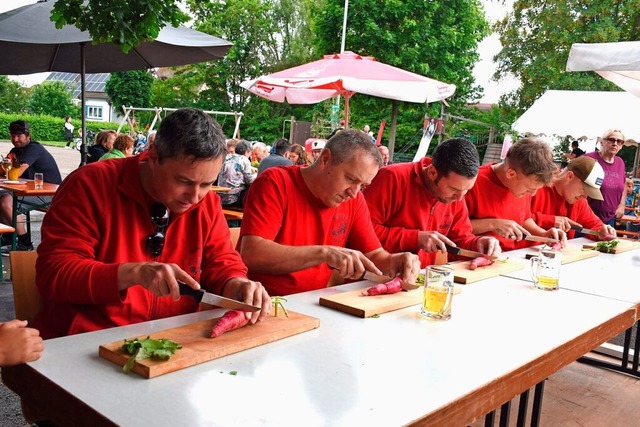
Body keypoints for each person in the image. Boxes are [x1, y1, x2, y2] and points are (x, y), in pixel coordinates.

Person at [33, 108, 271, 339]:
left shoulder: (206, 203)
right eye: (184, 181)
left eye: (207, 184)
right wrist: (133, 273)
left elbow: (222, 260)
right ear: (154, 156)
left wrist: (236, 283)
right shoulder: (90, 184)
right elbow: (54, 274)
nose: (195, 196)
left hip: (170, 339)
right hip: (87, 340)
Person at [238, 129, 421, 296]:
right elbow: (252, 254)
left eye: (362, 185)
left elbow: (373, 256)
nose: (355, 192)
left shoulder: (354, 199)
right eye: (350, 179)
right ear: (325, 160)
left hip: (315, 306)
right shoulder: (275, 183)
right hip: (262, 305)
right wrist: (324, 253)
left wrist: (396, 261)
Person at [363, 138, 501, 268]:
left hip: (420, 276)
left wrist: (478, 243)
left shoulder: (456, 194)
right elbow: (362, 231)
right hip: (376, 275)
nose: (459, 198)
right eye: (454, 189)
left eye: (466, 190)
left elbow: (460, 239)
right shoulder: (392, 178)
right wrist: (415, 238)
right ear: (432, 172)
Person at [465, 137, 566, 251]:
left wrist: (543, 234)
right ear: (511, 174)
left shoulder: (522, 182)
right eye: (529, 189)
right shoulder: (472, 183)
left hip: (508, 257)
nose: (532, 194)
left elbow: (524, 218)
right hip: (476, 257)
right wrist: (493, 224)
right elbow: (455, 228)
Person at [1, 120, 63, 252]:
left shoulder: (34, 148)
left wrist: (6, 167)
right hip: (30, 190)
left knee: (6, 202)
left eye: (19, 136)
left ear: (28, 136)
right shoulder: (15, 150)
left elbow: (17, 172)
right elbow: (4, 171)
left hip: (50, 194)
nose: (15, 139)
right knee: (1, 198)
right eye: (13, 136)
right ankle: (8, 237)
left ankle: (25, 244)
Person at [530, 156, 616, 240]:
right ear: (570, 176)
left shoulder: (579, 200)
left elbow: (594, 224)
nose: (585, 196)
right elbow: (518, 218)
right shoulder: (534, 188)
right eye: (584, 189)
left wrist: (602, 231)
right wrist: (551, 220)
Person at [584, 129, 627, 227]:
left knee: (607, 242)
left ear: (621, 146)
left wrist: (621, 205)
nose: (615, 143)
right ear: (602, 142)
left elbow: (623, 184)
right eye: (611, 140)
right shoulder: (588, 159)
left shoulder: (620, 162)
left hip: (610, 218)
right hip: (587, 217)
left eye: (619, 141)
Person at [218, 140, 256, 207]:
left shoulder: (226, 157)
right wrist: (256, 175)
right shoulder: (244, 159)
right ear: (247, 152)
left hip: (220, 195)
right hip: (234, 197)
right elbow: (249, 181)